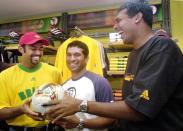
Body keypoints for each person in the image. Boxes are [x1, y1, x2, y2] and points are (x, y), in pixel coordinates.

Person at [44, 0, 183, 131]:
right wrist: (80, 123)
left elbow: (138, 110)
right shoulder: (134, 54)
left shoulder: (162, 47)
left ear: (137, 17)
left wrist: (80, 105)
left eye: (119, 20)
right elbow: (127, 106)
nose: (115, 26)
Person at [45, 40, 114, 131]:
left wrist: (80, 123)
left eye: (77, 55)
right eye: (69, 55)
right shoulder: (63, 86)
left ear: (86, 59)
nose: (72, 59)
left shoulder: (99, 82)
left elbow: (111, 118)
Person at [0, 31, 62, 131]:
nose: (38, 53)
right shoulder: (5, 76)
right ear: (21, 49)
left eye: (41, 48)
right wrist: (21, 109)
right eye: (33, 48)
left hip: (49, 127)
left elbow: (62, 101)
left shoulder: (54, 72)